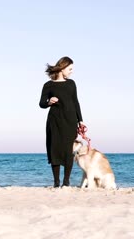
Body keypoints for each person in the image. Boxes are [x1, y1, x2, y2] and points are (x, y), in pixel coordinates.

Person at [39, 56, 85, 188]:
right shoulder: (48, 85)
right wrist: (49, 102)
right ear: (63, 68)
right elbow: (41, 104)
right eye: (70, 69)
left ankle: (66, 182)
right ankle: (56, 182)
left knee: (67, 151)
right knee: (54, 150)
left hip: (70, 121)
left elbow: (75, 102)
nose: (71, 71)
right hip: (54, 122)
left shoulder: (71, 84)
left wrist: (80, 120)